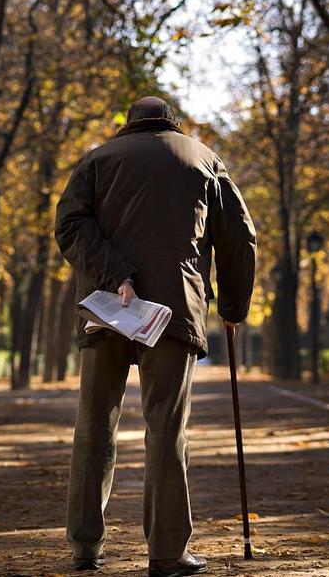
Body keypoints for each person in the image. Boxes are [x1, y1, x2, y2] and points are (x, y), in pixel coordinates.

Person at [54, 96, 256, 577]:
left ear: (129, 124)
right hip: (173, 309)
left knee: (94, 425)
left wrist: (114, 273)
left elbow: (69, 224)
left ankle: (85, 548)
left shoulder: (97, 159)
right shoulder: (202, 159)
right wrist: (232, 306)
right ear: (172, 123)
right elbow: (238, 237)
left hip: (107, 309)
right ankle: (167, 553)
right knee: (166, 427)